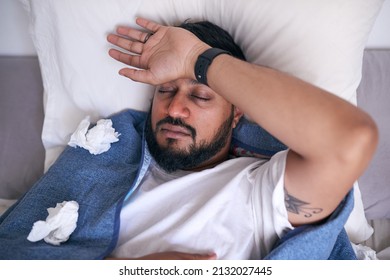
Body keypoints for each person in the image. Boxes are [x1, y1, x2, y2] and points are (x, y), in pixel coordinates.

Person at [0, 18, 377, 260]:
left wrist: (200, 59)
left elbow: (350, 140)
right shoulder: (99, 172)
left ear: (237, 112)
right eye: (165, 91)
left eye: (200, 95)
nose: (176, 109)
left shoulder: (259, 191)